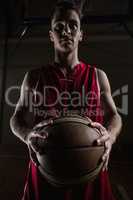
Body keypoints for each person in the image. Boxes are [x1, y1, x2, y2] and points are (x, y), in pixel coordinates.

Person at [10, 1, 122, 200]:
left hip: (91, 169)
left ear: (81, 34)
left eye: (73, 25)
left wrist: (110, 136)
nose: (66, 31)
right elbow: (17, 118)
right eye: (59, 27)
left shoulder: (97, 76)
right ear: (51, 36)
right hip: (46, 170)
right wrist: (27, 135)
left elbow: (114, 115)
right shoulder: (34, 77)